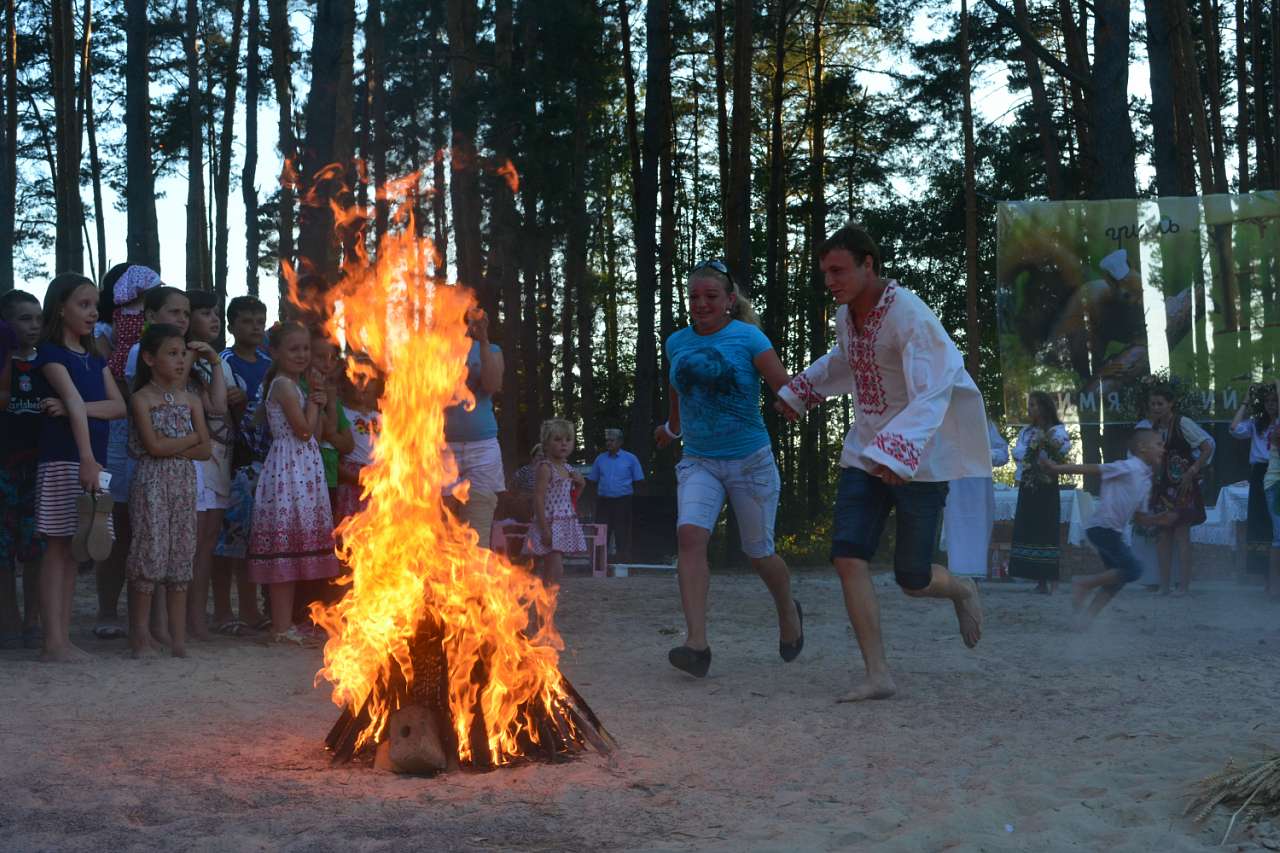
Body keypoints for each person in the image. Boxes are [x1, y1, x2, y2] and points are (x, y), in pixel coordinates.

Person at [776, 224, 988, 701]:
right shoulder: (846, 316)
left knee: (912, 578)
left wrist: (899, 452)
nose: (830, 281)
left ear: (868, 264)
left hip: (921, 457)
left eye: (838, 270)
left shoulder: (910, 316)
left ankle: (961, 589)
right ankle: (878, 674)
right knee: (847, 555)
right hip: (864, 452)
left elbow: (933, 390)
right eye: (825, 272)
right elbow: (844, 360)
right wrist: (800, 391)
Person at [655, 258, 801, 679]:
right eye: (694, 297)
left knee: (759, 554)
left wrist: (795, 402)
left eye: (710, 296)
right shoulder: (677, 342)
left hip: (749, 461)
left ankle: (787, 610)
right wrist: (672, 429)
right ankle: (696, 645)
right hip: (699, 460)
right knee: (689, 536)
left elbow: (784, 385)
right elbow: (678, 389)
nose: (701, 304)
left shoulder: (749, 337)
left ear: (730, 300)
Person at [33, 273, 127, 662]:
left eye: (94, 306)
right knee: (58, 548)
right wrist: (86, 458)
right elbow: (69, 398)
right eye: (83, 305)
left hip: (92, 459)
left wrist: (78, 410)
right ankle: (53, 642)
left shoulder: (95, 358)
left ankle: (63, 639)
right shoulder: (51, 354)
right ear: (60, 308)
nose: (92, 313)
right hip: (65, 459)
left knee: (75, 549)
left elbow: (118, 407)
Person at [246, 322, 340, 645]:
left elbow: (317, 433)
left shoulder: (296, 384)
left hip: (304, 468)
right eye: (293, 349)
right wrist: (313, 402)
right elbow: (302, 430)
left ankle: (286, 622)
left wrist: (319, 400)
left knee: (296, 548)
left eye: (305, 349)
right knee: (283, 550)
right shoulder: (284, 385)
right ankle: (280, 625)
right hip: (288, 471)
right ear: (274, 352)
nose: (302, 355)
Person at [126, 324, 211, 658]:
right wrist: (190, 439)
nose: (180, 361)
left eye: (183, 354)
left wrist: (174, 445)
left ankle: (178, 640)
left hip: (183, 484)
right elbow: (154, 447)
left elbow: (206, 450)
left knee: (180, 555)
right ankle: (141, 638)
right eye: (172, 354)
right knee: (150, 551)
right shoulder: (141, 399)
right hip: (152, 484)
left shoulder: (192, 399)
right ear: (150, 358)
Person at [95, 264, 162, 641]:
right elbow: (106, 375)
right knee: (118, 527)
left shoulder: (160, 336)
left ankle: (150, 617)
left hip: (154, 437)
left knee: (149, 531)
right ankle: (107, 609)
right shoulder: (105, 332)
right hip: (118, 437)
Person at [1044, 429, 1173, 624]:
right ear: (1142, 447)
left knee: (1118, 578)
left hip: (1110, 532)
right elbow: (1092, 468)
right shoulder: (1128, 467)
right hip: (1102, 529)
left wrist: (1158, 520)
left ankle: (1085, 620)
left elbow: (1139, 518)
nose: (1163, 449)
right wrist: (1057, 469)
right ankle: (1083, 583)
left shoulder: (1146, 480)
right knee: (1133, 570)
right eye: (1159, 445)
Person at [211, 296, 269, 634]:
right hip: (233, 463)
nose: (255, 327)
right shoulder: (224, 361)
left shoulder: (269, 363)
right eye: (247, 321)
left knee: (252, 541)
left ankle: (250, 609)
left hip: (264, 463)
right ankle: (222, 610)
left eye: (260, 321)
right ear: (231, 326)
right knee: (228, 542)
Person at [185, 290, 235, 640]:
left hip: (218, 459)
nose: (214, 319)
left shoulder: (220, 362)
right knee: (190, 542)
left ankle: (198, 615)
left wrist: (214, 363)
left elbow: (219, 407)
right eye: (204, 312)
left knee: (207, 542)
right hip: (191, 459)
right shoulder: (178, 356)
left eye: (216, 312)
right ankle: (180, 617)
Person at [1137, 382, 1212, 595]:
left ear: (1171, 403)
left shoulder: (1183, 423)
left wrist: (1193, 471)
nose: (1156, 407)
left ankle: (1184, 586)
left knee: (1181, 534)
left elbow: (1207, 447)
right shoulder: (1152, 428)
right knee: (1163, 535)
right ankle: (1164, 586)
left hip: (1182, 485)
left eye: (1160, 403)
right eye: (1153, 404)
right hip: (1161, 486)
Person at [0, 291, 44, 650]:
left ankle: (33, 618)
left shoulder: (47, 363)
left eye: (38, 319)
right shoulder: (2, 363)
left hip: (38, 468)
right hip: (4, 467)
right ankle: (8, 617)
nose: (33, 326)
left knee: (35, 549)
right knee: (3, 550)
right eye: (24, 319)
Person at [442, 308, 505, 547]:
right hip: (443, 448)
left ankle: (476, 571)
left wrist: (484, 341)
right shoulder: (432, 351)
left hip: (482, 447)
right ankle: (445, 572)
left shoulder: (491, 349)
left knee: (477, 526)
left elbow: (492, 385)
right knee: (443, 526)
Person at [1008, 392, 1072, 593]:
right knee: (1029, 527)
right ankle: (1036, 578)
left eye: (1034, 405)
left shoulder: (1057, 431)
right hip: (1028, 483)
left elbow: (1062, 449)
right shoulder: (1026, 432)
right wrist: (1034, 450)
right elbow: (1017, 452)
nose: (1030, 409)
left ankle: (1049, 578)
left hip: (1046, 484)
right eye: (1029, 405)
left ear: (1045, 407)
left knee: (1046, 528)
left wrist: (1041, 448)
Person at [524, 419, 587, 590]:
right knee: (555, 567)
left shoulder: (568, 469)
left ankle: (545, 598)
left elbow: (570, 499)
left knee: (552, 567)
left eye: (568, 439)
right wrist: (544, 529)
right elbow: (538, 498)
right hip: (549, 523)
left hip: (564, 522)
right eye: (558, 440)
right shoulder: (546, 468)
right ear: (546, 443)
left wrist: (581, 485)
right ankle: (545, 596)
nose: (564, 444)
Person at [943, 420, 1008, 578]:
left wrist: (987, 454)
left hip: (980, 488)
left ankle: (976, 574)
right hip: (956, 487)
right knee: (957, 529)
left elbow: (1003, 455)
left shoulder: (986, 424)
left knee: (979, 529)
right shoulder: (949, 420)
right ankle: (957, 573)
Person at [1230, 384, 1278, 582]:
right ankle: (1264, 573)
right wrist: (1245, 402)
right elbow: (1234, 429)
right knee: (1260, 519)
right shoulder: (1257, 423)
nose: (1271, 405)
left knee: (1276, 520)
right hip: (1260, 472)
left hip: (1277, 471)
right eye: (1268, 401)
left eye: (1275, 401)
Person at [586, 428, 644, 566]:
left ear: (620, 442)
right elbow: (592, 481)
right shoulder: (600, 459)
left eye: (612, 440)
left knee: (622, 533)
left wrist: (634, 501)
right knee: (601, 532)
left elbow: (639, 481)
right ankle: (599, 565)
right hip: (604, 502)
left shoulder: (631, 458)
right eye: (607, 440)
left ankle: (622, 565)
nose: (608, 443)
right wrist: (593, 500)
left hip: (623, 501)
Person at [335, 360, 383, 524]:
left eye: (371, 379)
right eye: (360, 377)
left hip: (378, 482)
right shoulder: (341, 413)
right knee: (352, 528)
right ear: (345, 381)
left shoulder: (380, 416)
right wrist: (355, 477)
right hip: (352, 481)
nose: (365, 384)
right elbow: (332, 457)